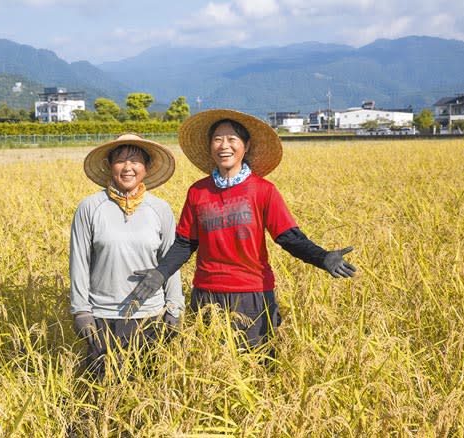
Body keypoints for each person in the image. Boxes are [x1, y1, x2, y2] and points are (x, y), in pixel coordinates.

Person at [131, 109, 356, 351]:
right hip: (207, 294)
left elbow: (289, 238)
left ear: (245, 146)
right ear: (210, 147)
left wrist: (322, 257)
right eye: (217, 139)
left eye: (232, 139)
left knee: (257, 367)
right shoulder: (198, 191)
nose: (224, 145)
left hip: (252, 295)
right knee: (209, 367)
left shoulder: (263, 190)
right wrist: (161, 273)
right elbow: (186, 243)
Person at [70, 133, 184, 376]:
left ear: (147, 167)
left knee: (148, 390)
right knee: (102, 390)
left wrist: (174, 307)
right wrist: (81, 311)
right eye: (121, 160)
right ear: (110, 166)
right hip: (102, 315)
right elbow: (79, 262)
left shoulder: (160, 209)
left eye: (135, 160)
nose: (128, 167)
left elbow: (171, 261)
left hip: (150, 316)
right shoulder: (90, 207)